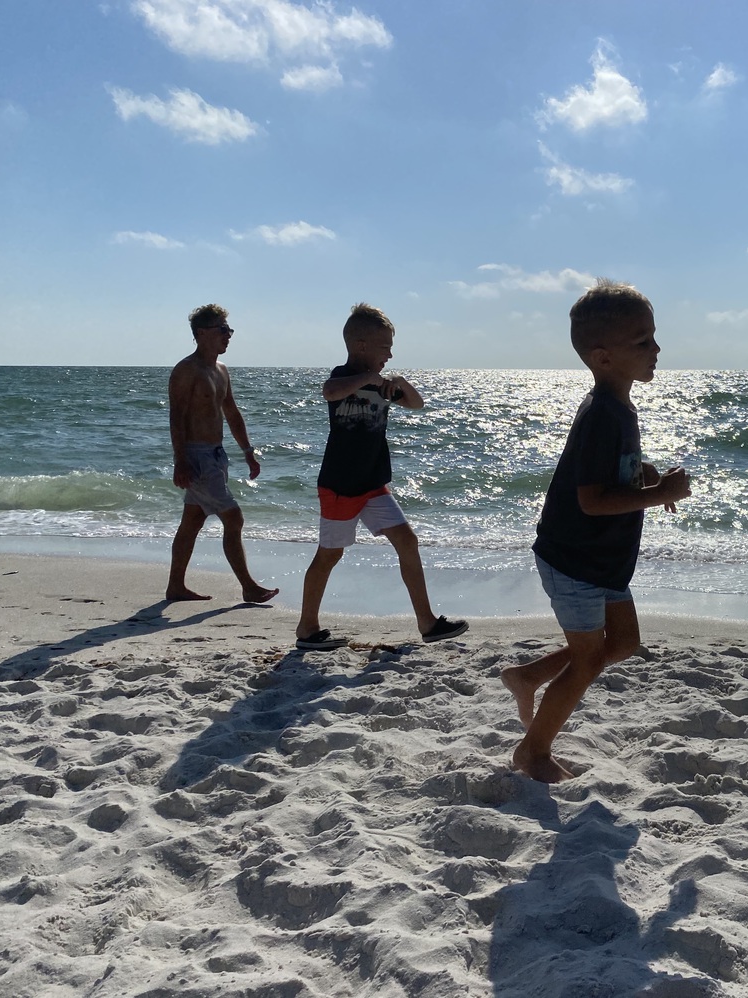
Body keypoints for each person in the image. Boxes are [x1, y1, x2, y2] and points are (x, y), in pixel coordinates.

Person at [502, 280, 691, 783]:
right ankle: (533, 751)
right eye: (642, 341)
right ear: (604, 357)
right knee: (588, 661)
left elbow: (610, 473)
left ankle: (529, 676)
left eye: (652, 337)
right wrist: (659, 495)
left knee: (623, 642)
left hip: (604, 558)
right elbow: (591, 499)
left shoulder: (620, 408)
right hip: (574, 559)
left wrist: (645, 475)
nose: (656, 350)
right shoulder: (601, 414)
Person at [295, 303, 468, 651]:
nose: (390, 353)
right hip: (340, 486)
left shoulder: (384, 385)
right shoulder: (343, 376)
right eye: (384, 346)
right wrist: (368, 379)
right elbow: (330, 391)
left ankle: (428, 622)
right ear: (361, 346)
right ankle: (307, 628)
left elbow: (416, 404)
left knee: (408, 540)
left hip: (374, 484)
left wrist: (399, 384)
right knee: (329, 555)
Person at [166, 304, 279, 604]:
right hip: (196, 456)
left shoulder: (221, 371)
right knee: (234, 517)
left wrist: (248, 452)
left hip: (217, 455)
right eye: (222, 330)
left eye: (229, 330)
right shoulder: (186, 370)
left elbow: (231, 413)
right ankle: (249, 587)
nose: (228, 336)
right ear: (201, 334)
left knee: (192, 521)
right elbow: (176, 417)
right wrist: (180, 460)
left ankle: (175, 586)